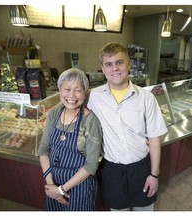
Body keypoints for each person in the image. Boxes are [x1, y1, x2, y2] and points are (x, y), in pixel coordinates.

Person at [87, 42, 168, 211]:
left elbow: (154, 139)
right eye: (108, 64)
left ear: (129, 63)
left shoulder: (146, 98)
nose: (114, 68)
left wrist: (154, 174)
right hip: (112, 171)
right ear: (102, 68)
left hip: (142, 169)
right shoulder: (94, 97)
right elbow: (72, 107)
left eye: (119, 62)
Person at [38, 68, 103, 211]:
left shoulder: (90, 121)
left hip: (79, 185)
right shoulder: (54, 113)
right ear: (59, 90)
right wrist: (51, 187)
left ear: (85, 93)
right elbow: (43, 150)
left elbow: (91, 165)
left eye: (78, 90)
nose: (71, 95)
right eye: (67, 89)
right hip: (53, 181)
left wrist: (61, 190)